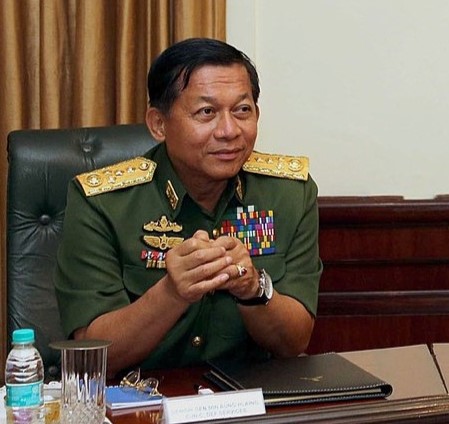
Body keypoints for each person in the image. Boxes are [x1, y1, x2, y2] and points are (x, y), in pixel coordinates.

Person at [54, 38, 322, 375]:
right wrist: (171, 292)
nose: (229, 131)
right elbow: (93, 357)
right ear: (158, 124)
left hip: (250, 400)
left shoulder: (289, 194)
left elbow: (294, 343)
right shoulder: (102, 203)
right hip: (140, 405)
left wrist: (253, 289)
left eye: (242, 110)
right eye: (206, 113)